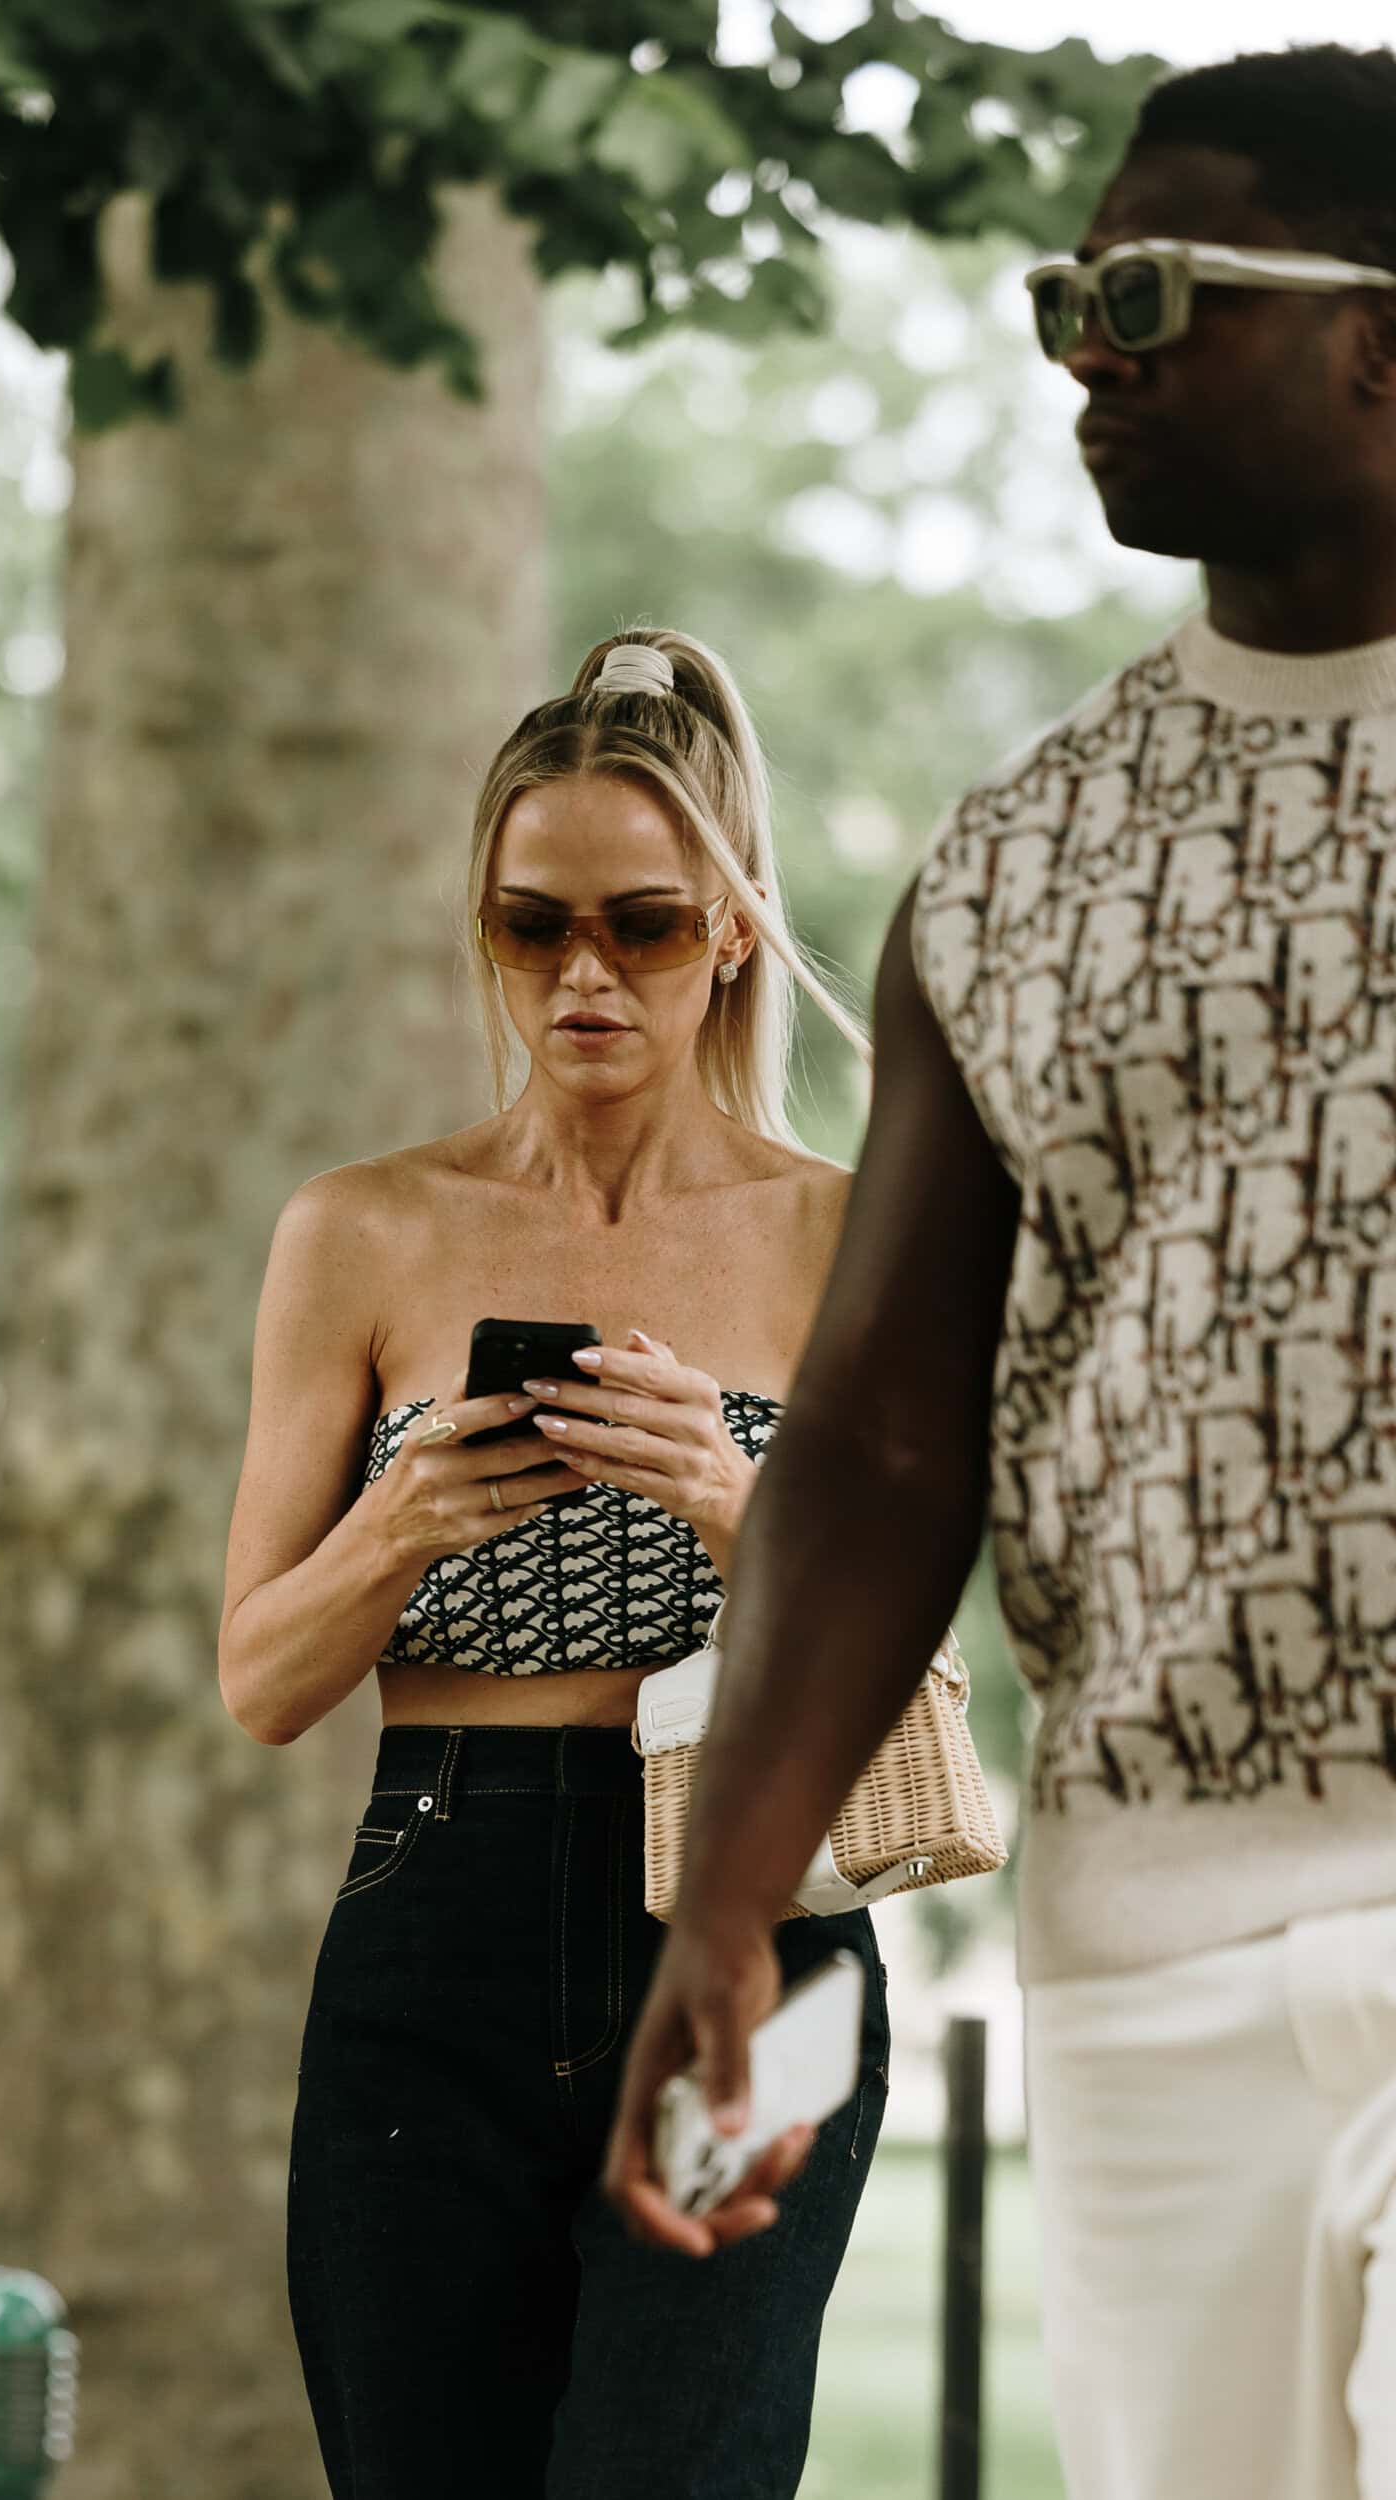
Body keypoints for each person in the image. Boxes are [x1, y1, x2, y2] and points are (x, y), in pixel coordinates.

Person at [605, 45, 1396, 2500]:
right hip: (1153, 1925)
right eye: (1062, 301)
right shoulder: (1016, 866)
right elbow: (888, 1433)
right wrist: (732, 1901)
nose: (1088, 352)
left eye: (1152, 296)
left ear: (1393, 340)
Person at [217, 628, 889, 2500]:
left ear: (732, 930)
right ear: (487, 927)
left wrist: (730, 1500)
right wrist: (405, 1520)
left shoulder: (842, 1235)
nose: (584, 974)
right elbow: (261, 1680)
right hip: (439, 1906)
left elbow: (919, 1645)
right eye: (535, 927)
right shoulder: (361, 1233)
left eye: (643, 926)